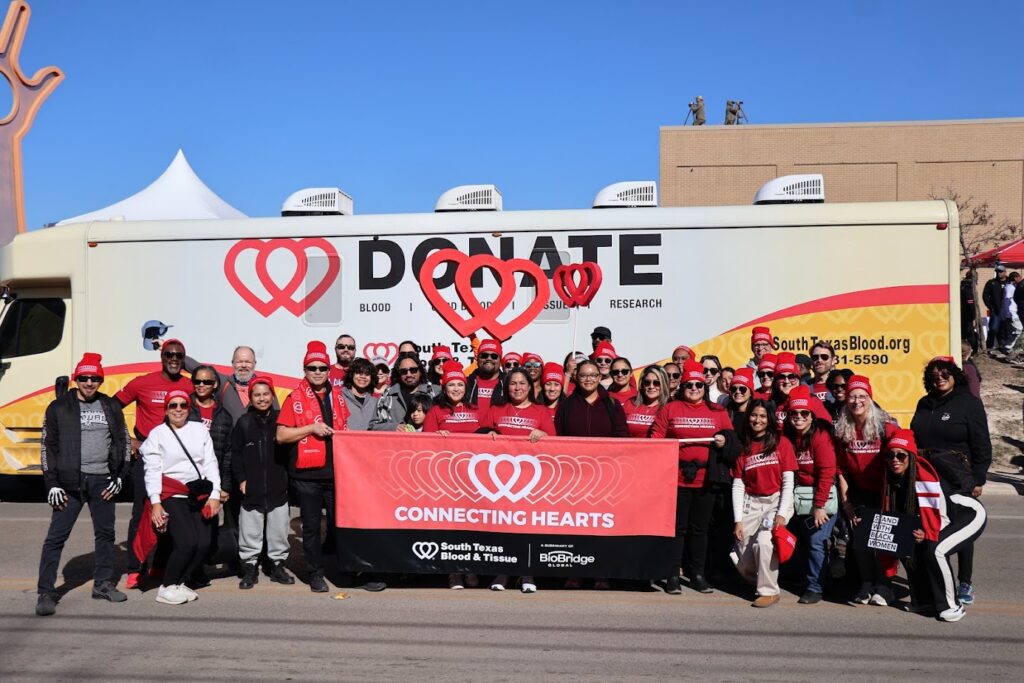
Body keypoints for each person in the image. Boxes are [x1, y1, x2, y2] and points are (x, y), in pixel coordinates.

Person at [36, 353, 131, 617]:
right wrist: (52, 484)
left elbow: (123, 442)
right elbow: (47, 447)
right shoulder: (58, 407)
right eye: (85, 378)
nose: (89, 383)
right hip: (69, 483)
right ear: (76, 379)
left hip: (103, 481)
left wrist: (120, 476)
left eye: (95, 378)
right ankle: (46, 592)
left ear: (101, 380)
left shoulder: (110, 405)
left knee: (106, 534)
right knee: (56, 537)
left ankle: (103, 584)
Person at [909, 356, 991, 607]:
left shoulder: (969, 403)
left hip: (958, 477)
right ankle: (934, 574)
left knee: (959, 525)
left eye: (945, 373)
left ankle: (964, 582)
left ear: (955, 375)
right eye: (934, 375)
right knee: (931, 526)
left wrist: (978, 478)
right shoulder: (924, 403)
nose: (940, 378)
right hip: (927, 478)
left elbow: (982, 445)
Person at [881, 430, 987, 622]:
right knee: (905, 543)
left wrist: (929, 532)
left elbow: (942, 515)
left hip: (967, 514)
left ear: (911, 456)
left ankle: (952, 606)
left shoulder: (925, 477)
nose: (895, 460)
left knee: (935, 550)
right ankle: (924, 601)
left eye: (901, 455)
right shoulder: (893, 479)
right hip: (944, 518)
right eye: (890, 455)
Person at [650, 361, 735, 595]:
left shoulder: (717, 411)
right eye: (689, 384)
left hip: (706, 479)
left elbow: (731, 439)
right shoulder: (670, 408)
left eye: (699, 384)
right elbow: (656, 438)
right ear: (683, 386)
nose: (694, 388)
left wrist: (724, 440)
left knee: (700, 529)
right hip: (676, 478)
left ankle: (697, 575)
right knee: (677, 529)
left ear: (704, 387)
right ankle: (671, 575)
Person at [116, 338, 194, 589]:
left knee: (173, 512)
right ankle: (134, 568)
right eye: (169, 354)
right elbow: (111, 408)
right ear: (162, 356)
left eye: (179, 355)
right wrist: (128, 440)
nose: (174, 359)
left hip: (176, 461)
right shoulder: (142, 383)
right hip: (147, 458)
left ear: (184, 359)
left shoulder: (190, 385)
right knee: (141, 513)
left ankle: (160, 564)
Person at [276, 342, 352, 593]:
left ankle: (345, 571)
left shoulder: (337, 395)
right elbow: (281, 436)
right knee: (310, 528)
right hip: (307, 475)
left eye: (322, 368)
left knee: (340, 526)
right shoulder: (294, 398)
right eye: (312, 368)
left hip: (336, 473)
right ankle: (315, 574)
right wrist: (311, 428)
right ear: (304, 370)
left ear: (329, 370)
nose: (317, 372)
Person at [140, 390, 222, 605]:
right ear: (166, 410)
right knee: (186, 543)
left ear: (188, 408)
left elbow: (210, 463)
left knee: (203, 544)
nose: (178, 409)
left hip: (198, 493)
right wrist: (156, 502)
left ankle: (180, 582)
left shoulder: (199, 429)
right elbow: (152, 470)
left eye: (182, 405)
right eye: (173, 405)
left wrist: (214, 495)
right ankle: (167, 586)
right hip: (172, 493)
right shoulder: (157, 434)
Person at [555, 360, 628, 590]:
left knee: (601, 527)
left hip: (604, 476)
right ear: (576, 378)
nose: (588, 379)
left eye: (593, 375)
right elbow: (558, 437)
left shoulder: (612, 404)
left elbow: (622, 437)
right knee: (576, 526)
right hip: (574, 476)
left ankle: (600, 573)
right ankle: (575, 573)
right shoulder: (567, 405)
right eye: (584, 375)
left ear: (600, 377)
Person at [481, 369, 555, 593]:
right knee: (503, 527)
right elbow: (480, 437)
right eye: (513, 383)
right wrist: (488, 435)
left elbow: (556, 442)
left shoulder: (541, 411)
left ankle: (526, 573)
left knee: (527, 528)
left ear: (530, 387)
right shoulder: (496, 410)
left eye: (522, 383)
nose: (517, 387)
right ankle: (502, 573)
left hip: (531, 479)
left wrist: (544, 436)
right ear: (506, 387)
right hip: (500, 481)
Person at [835, 374, 898, 606]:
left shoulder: (884, 426)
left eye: (862, 396)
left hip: (884, 491)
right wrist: (847, 503)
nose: (857, 401)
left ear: (870, 399)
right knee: (860, 539)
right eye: (852, 396)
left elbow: (901, 455)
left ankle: (885, 586)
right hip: (859, 491)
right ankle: (866, 584)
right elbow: (841, 469)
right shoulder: (843, 429)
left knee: (882, 541)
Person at [731, 400, 797, 607]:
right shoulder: (744, 447)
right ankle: (761, 579)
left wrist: (781, 514)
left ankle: (769, 591)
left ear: (769, 419)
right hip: (751, 503)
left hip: (775, 501)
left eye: (762, 416)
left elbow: (788, 482)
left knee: (764, 543)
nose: (757, 420)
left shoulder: (782, 443)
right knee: (742, 560)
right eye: (753, 415)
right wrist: (738, 520)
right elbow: (738, 485)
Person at [423, 361, 483, 591]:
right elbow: (425, 445)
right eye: (451, 384)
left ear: (465, 387)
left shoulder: (477, 410)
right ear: (444, 387)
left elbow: (490, 438)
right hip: (446, 479)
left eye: (460, 384)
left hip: (474, 479)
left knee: (472, 526)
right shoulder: (435, 411)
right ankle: (454, 572)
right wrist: (437, 437)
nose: (456, 389)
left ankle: (471, 568)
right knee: (451, 526)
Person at [232, 376, 294, 589]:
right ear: (250, 398)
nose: (261, 398)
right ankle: (250, 567)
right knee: (250, 531)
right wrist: (241, 479)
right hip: (252, 487)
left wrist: (288, 479)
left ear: (272, 395)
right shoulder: (244, 422)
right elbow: (236, 454)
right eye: (256, 395)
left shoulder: (282, 420)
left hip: (278, 486)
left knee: (278, 531)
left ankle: (277, 565)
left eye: (266, 394)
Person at [783, 386, 838, 604]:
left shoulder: (820, 436)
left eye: (804, 413)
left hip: (821, 496)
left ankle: (815, 587)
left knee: (816, 541)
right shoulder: (787, 437)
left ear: (812, 416)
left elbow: (827, 472)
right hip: (799, 496)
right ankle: (818, 580)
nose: (799, 417)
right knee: (800, 540)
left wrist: (819, 506)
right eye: (794, 413)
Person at [186, 365, 234, 586]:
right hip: (186, 479)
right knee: (187, 531)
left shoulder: (224, 416)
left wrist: (224, 486)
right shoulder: (183, 408)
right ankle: (186, 571)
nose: (201, 385)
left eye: (206, 382)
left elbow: (227, 454)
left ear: (215, 385)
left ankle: (198, 569)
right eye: (197, 381)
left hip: (212, 481)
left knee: (207, 530)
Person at [183, 345, 268, 423]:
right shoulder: (224, 383)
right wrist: (177, 355)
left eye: (248, 362)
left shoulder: (265, 388)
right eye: (239, 362)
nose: (243, 365)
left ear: (254, 364)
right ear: (233, 363)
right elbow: (196, 366)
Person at [372, 352, 435, 431]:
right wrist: (393, 427)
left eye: (413, 370)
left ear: (420, 371)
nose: (409, 374)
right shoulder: (388, 395)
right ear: (398, 374)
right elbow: (373, 426)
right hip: (396, 439)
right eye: (404, 371)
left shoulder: (432, 393)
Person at [770, 352, 831, 428]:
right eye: (781, 377)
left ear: (798, 379)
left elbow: (826, 428)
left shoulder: (812, 400)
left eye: (791, 377)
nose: (786, 381)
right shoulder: (770, 402)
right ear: (776, 381)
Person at [623, 365, 669, 438]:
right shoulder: (630, 403)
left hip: (655, 445)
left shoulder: (669, 408)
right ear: (642, 384)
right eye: (647, 382)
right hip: (629, 445)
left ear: (664, 385)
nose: (651, 386)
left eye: (656, 383)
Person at [342, 358, 381, 431]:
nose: (363, 376)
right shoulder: (340, 398)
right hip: (345, 438)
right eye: (359, 372)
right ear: (352, 375)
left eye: (367, 374)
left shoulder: (376, 402)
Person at [466, 339, 504, 411]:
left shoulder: (508, 384)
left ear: (500, 361)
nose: (489, 358)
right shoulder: (466, 383)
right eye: (484, 355)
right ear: (477, 359)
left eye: (494, 356)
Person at [981, 265, 1007, 350]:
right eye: (997, 272)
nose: (998, 273)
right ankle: (989, 347)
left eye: (1000, 272)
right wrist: (990, 307)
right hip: (995, 311)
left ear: (1005, 272)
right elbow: (985, 295)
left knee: (1005, 329)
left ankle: (1003, 347)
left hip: (1007, 311)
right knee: (993, 329)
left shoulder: (1009, 282)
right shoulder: (991, 282)